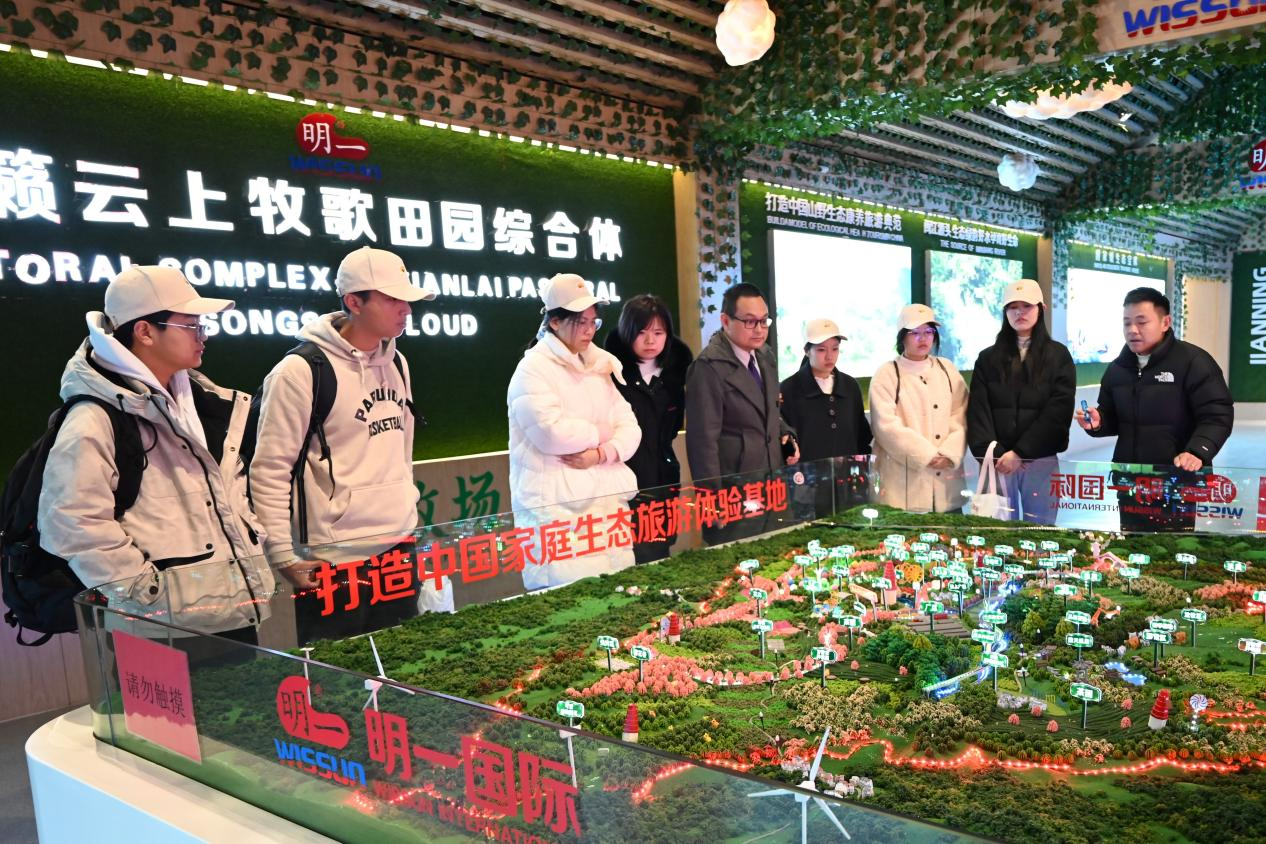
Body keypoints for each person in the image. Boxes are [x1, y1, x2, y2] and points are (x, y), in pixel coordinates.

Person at [38, 266, 273, 639]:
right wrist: (145, 593)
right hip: (161, 629)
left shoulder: (201, 402)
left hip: (234, 612)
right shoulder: (94, 417)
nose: (203, 335)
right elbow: (69, 522)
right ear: (145, 331)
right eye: (191, 325)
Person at [250, 246, 450, 644]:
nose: (406, 309)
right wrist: (283, 555)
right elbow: (270, 469)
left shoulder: (397, 362)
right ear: (354, 302)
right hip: (334, 561)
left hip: (397, 548)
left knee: (405, 663)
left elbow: (401, 452)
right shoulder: (300, 371)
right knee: (340, 672)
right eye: (392, 299)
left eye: (407, 299)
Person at [507, 273, 642, 590]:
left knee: (619, 602)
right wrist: (602, 431)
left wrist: (601, 453)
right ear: (554, 322)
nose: (589, 330)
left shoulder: (599, 366)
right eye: (581, 322)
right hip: (560, 516)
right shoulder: (533, 369)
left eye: (593, 322)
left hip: (606, 515)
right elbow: (552, 433)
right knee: (572, 607)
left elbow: (631, 427)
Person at [1078, 287, 1233, 531]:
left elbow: (1217, 414)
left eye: (1141, 322)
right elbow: (1112, 417)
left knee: (1171, 550)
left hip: (1176, 481)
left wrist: (1197, 452)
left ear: (1165, 322)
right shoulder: (1117, 369)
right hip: (1130, 481)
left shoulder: (1193, 361)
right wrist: (1098, 422)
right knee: (1132, 547)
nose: (1132, 330)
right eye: (1127, 323)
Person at [685, 282, 798, 543]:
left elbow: (771, 411)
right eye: (749, 321)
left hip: (774, 486)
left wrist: (787, 434)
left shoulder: (765, 356)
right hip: (735, 493)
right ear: (725, 320)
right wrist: (712, 500)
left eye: (763, 321)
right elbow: (702, 443)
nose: (759, 329)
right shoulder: (708, 367)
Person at [967, 279, 1076, 524]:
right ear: (1005, 312)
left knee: (1041, 528)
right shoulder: (987, 358)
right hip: (998, 462)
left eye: (1026, 306)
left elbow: (1059, 410)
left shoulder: (1058, 356)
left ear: (1041, 309)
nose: (1019, 313)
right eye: (1012, 307)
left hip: (1040, 459)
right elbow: (978, 411)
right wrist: (995, 453)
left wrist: (1021, 453)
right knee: (998, 530)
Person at [603, 294, 693, 564]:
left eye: (658, 333)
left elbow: (673, 429)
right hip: (623, 481)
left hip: (664, 477)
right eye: (641, 333)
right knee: (627, 556)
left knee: (661, 551)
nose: (650, 341)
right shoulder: (609, 375)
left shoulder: (676, 377)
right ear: (626, 333)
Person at [869, 304, 969, 513]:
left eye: (928, 331)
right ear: (902, 337)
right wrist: (926, 455)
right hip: (903, 488)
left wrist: (949, 453)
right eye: (915, 333)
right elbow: (885, 426)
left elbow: (961, 413)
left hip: (946, 485)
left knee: (950, 532)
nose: (923, 338)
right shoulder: (887, 373)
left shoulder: (947, 369)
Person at [778, 318, 871, 516]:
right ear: (806, 350)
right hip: (805, 486)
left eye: (835, 349)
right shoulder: (789, 389)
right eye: (821, 350)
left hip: (848, 484)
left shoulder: (849, 386)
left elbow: (861, 436)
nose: (829, 356)